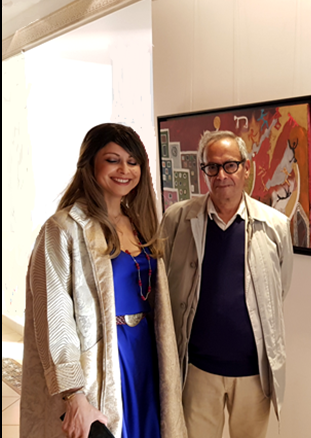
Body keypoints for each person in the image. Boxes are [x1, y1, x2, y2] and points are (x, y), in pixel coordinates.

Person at [20, 123, 187, 438]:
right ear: (90, 164)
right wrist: (74, 394)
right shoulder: (64, 228)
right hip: (103, 360)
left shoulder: (140, 222)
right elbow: (54, 316)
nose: (124, 170)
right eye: (113, 160)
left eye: (133, 162)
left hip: (145, 354)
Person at [161, 130, 293, 438]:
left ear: (246, 168)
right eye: (213, 167)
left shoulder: (275, 225)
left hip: (253, 374)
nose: (222, 175)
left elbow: (279, 289)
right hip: (197, 371)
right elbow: (165, 285)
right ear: (204, 171)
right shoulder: (177, 219)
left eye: (230, 165)